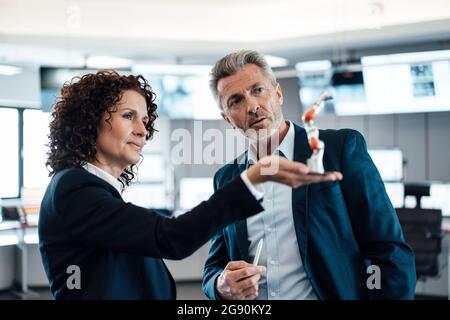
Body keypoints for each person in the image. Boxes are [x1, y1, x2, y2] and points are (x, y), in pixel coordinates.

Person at [38, 70, 341, 300]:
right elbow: (171, 238)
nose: (143, 131)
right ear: (89, 121)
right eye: (128, 116)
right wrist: (254, 177)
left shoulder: (96, 191)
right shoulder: (74, 189)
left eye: (145, 120)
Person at [202, 50, 416, 300]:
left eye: (258, 90)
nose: (252, 106)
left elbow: (388, 249)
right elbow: (214, 267)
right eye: (236, 101)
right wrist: (220, 284)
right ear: (227, 119)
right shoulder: (226, 179)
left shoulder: (340, 149)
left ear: (278, 93)